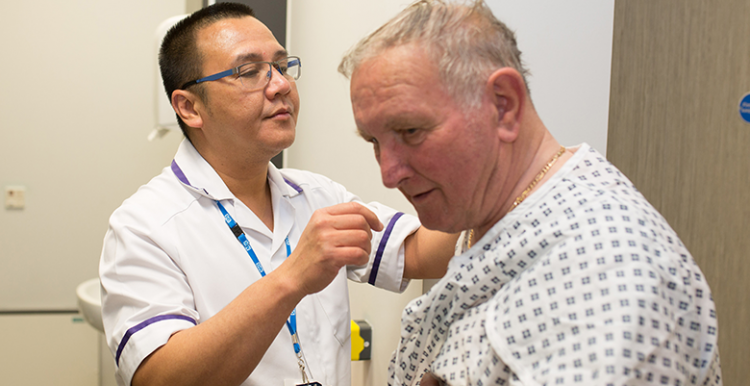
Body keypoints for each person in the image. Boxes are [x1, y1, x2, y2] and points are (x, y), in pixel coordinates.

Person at [339, 1, 722, 385]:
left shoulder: (608, 274)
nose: (388, 173)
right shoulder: (493, 217)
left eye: (410, 132)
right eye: (374, 140)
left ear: (503, 105)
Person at [99, 3, 456, 386]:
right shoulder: (143, 226)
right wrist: (292, 278)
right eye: (249, 72)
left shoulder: (317, 195)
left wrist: (488, 175)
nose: (281, 84)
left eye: (283, 67)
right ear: (189, 107)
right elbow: (158, 378)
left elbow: (422, 253)